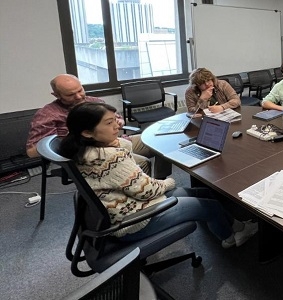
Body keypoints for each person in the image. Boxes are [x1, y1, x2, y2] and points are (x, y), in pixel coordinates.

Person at [58, 102, 258, 248]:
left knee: (202, 192)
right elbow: (147, 191)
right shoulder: (110, 157)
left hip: (128, 205)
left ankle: (235, 228)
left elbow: (137, 185)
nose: (117, 126)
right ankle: (231, 237)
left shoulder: (83, 151)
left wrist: (117, 141)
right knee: (210, 205)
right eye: (109, 123)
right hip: (135, 220)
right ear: (87, 132)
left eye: (115, 119)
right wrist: (169, 182)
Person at [26, 74, 171, 178]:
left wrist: (117, 122)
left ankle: (158, 181)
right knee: (142, 163)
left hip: (116, 142)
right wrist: (75, 138)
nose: (78, 97)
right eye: (70, 95)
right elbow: (32, 151)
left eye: (80, 90)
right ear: (56, 95)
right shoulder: (48, 114)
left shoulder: (94, 101)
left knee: (161, 140)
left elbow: (118, 119)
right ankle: (139, 197)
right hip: (90, 154)